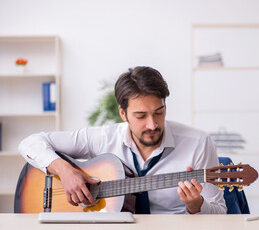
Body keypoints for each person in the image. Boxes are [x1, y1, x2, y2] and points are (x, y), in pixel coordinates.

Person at [18, 66, 227, 214]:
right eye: (140, 116)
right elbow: (30, 143)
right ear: (123, 113)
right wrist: (65, 171)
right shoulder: (103, 138)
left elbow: (220, 213)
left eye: (159, 112)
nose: (152, 125)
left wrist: (195, 205)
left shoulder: (198, 143)